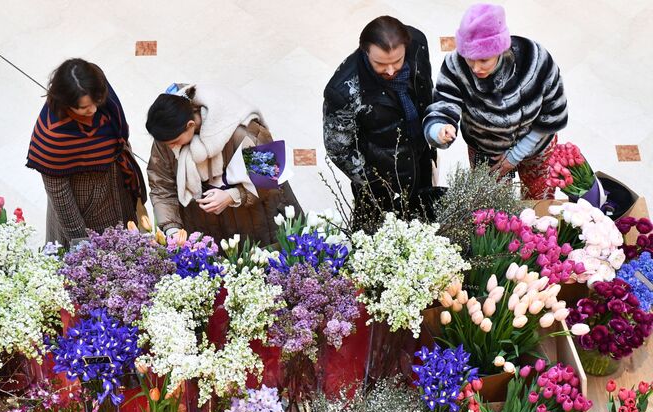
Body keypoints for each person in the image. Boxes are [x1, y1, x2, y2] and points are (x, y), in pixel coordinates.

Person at [423, 3, 568, 199]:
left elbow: (552, 111)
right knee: (491, 208)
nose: (475, 68)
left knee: (539, 203)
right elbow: (443, 104)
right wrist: (438, 129)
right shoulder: (455, 65)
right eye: (469, 58)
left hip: (536, 147)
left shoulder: (534, 59)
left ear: (500, 48)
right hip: (485, 149)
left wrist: (517, 154)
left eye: (484, 60)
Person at [145, 84, 301, 245]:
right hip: (204, 226)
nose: (171, 148)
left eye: (175, 142)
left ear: (190, 125)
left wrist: (232, 196)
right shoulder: (167, 135)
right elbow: (161, 186)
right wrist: (172, 230)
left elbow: (269, 176)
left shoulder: (241, 130)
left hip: (256, 220)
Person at [323, 15, 437, 231]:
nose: (391, 71)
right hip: (379, 179)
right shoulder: (342, 90)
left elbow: (425, 93)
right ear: (365, 52)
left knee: (425, 226)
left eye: (397, 61)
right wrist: (377, 184)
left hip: (418, 158)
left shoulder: (418, 44)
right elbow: (339, 149)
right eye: (381, 64)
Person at [26, 58, 146, 247]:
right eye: (84, 108)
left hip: (117, 188)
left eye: (96, 102)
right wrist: (81, 242)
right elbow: (59, 195)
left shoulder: (95, 86)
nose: (94, 109)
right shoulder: (52, 134)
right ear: (66, 102)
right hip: (86, 210)